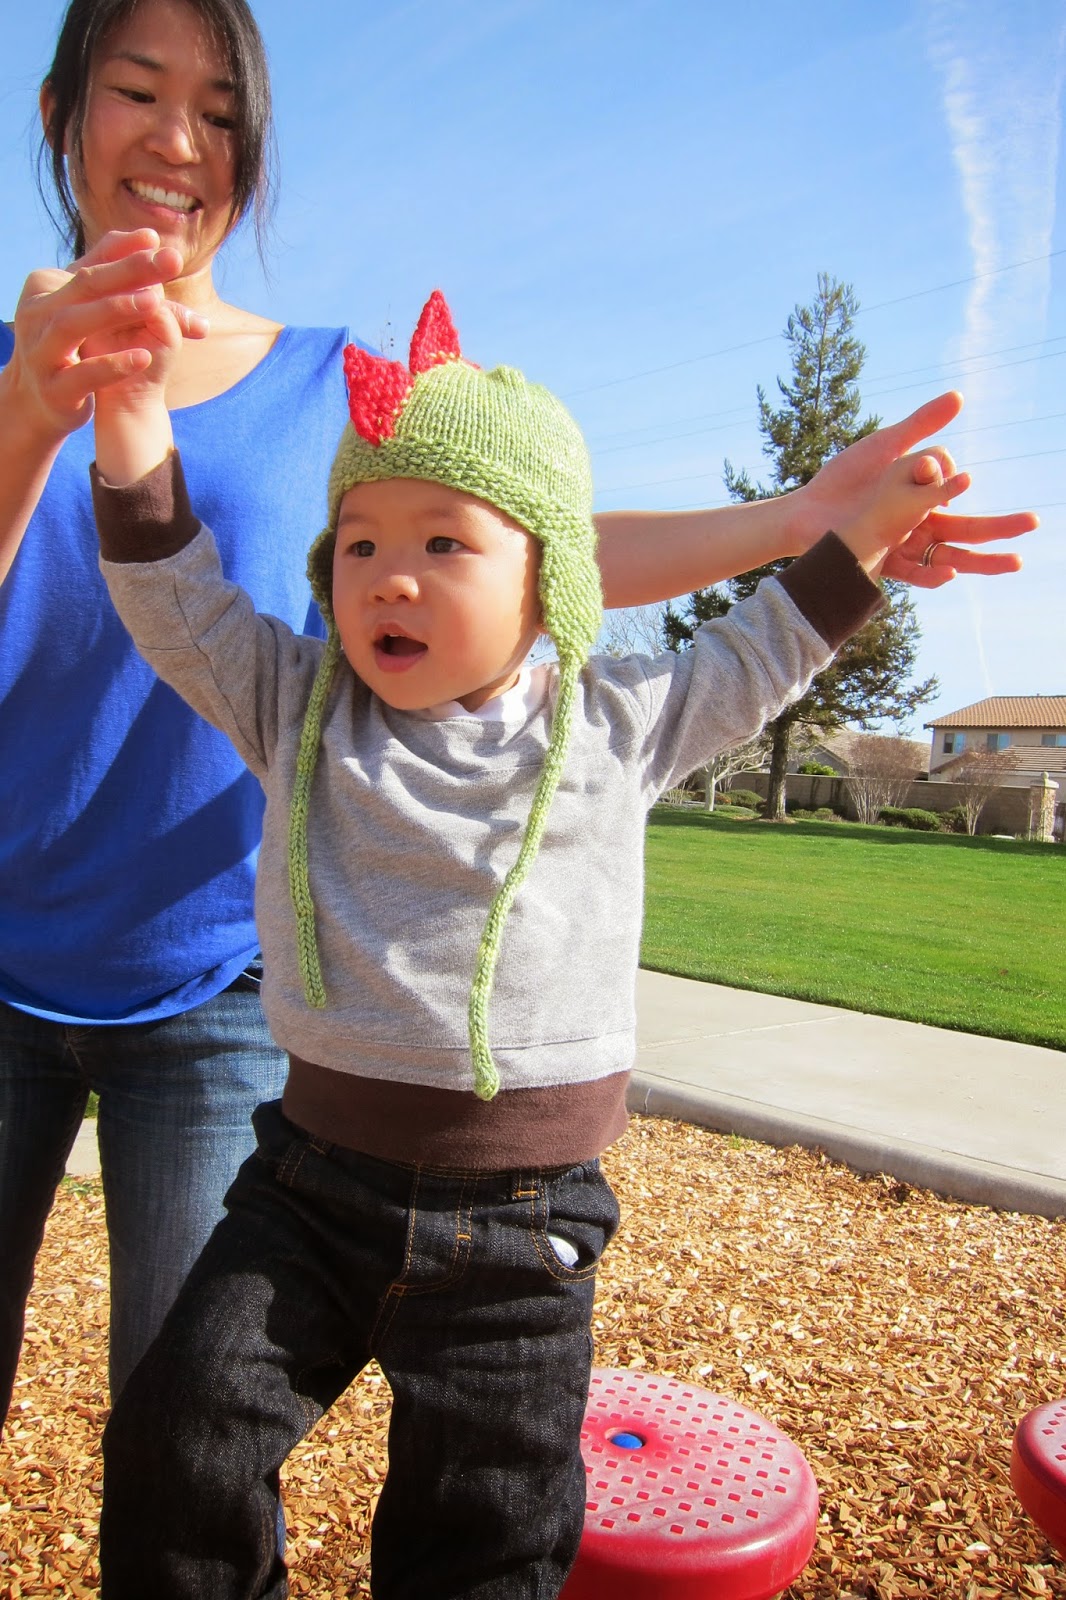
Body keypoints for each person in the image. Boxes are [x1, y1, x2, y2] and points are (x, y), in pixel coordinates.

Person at [0, 0, 1034, 1428]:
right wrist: (30, 419)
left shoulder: (328, 383)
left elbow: (518, 549)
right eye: (137, 91)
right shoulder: (12, 371)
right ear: (59, 109)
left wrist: (802, 521)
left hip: (218, 982)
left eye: (225, 113)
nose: (182, 141)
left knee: (184, 1423)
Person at [87, 286, 1019, 1598]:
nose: (387, 574)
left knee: (482, 1532)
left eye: (443, 543)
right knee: (181, 1439)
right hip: (304, 1191)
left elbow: (761, 649)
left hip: (520, 1234)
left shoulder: (613, 719)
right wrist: (131, 427)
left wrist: (857, 537)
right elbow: (176, 603)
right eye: (355, 545)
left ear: (547, 577)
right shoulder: (297, 706)